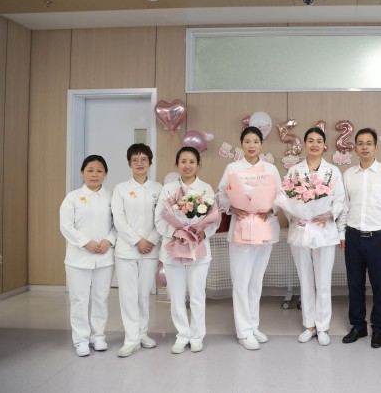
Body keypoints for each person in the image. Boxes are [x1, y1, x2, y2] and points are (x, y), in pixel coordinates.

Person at [338, 128, 381, 348]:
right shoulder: (349, 175)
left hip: (378, 238)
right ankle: (358, 326)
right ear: (355, 148)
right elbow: (344, 206)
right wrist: (341, 232)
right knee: (355, 285)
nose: (364, 147)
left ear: (376, 147)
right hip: (353, 237)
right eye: (360, 143)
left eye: (368, 143)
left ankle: (379, 328)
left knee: (379, 285)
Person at [278, 127, 344, 346]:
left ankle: (323, 326)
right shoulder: (294, 171)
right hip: (301, 230)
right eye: (310, 140)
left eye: (318, 141)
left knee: (323, 281)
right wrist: (295, 216)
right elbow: (285, 199)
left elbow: (340, 200)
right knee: (305, 279)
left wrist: (330, 214)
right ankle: (309, 325)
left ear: (325, 145)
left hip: (324, 230)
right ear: (305, 144)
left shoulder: (332, 171)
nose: (314, 144)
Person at [217, 127, 281, 350]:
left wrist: (271, 208)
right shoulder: (232, 168)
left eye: (255, 141)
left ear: (261, 144)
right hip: (241, 228)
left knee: (256, 281)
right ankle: (243, 331)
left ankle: (253, 325)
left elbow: (281, 194)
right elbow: (221, 193)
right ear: (241, 144)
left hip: (264, 228)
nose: (251, 145)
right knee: (241, 281)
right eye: (247, 141)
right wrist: (231, 207)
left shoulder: (270, 168)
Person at [155, 146, 220, 354]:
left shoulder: (206, 188)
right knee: (176, 296)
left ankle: (197, 336)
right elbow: (159, 218)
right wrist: (176, 232)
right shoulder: (168, 189)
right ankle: (182, 335)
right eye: (183, 161)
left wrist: (203, 233)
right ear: (177, 164)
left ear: (198, 165)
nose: (187, 165)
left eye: (192, 162)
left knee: (197, 295)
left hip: (198, 249)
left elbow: (214, 219)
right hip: (173, 248)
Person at [59, 155, 116, 357]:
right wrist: (85, 242)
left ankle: (98, 336)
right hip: (78, 258)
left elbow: (118, 224)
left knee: (101, 298)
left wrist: (109, 240)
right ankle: (81, 339)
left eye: (99, 170)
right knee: (79, 299)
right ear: (82, 173)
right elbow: (66, 226)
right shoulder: (73, 197)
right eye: (90, 170)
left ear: (105, 174)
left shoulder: (112, 197)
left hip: (105, 257)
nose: (94, 174)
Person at [111, 144, 162, 357]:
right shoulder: (121, 189)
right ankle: (130, 339)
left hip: (150, 249)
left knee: (143, 295)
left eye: (144, 159)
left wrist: (150, 240)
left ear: (150, 162)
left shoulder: (158, 189)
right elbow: (118, 219)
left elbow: (162, 219)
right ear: (129, 163)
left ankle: (142, 334)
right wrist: (137, 241)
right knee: (128, 295)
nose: (139, 163)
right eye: (135, 159)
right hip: (127, 250)